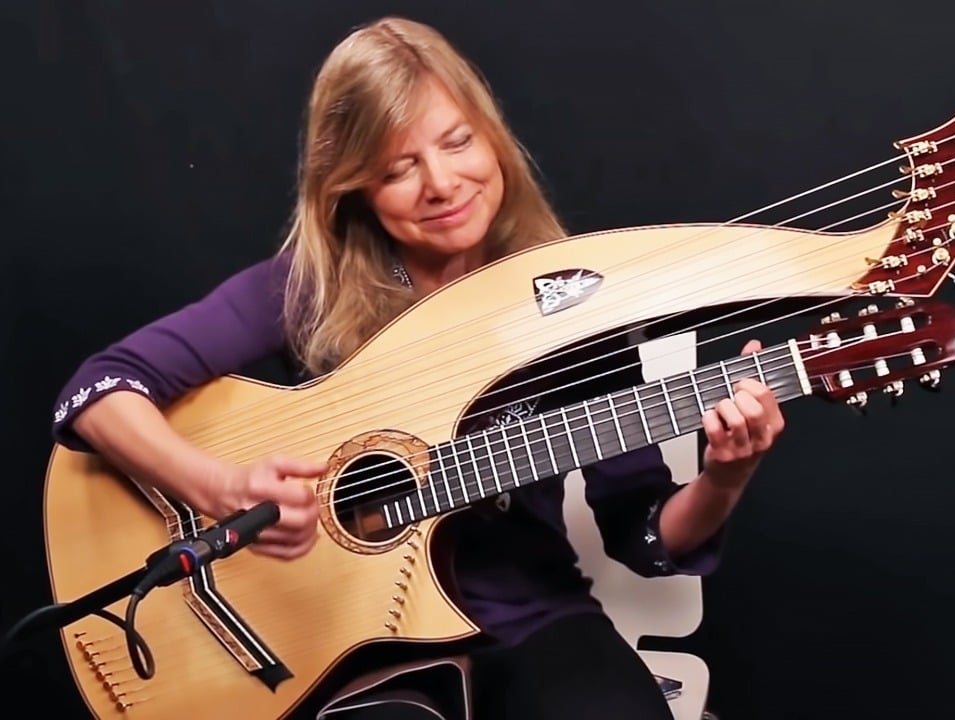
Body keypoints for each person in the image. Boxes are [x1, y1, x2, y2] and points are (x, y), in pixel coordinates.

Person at [49, 15, 785, 720]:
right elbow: (97, 390)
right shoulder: (305, 287)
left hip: (527, 616)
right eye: (397, 168)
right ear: (351, 187)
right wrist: (216, 487)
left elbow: (649, 539)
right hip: (343, 634)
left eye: (457, 141)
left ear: (492, 137)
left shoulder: (577, 298)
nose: (442, 182)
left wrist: (725, 475)